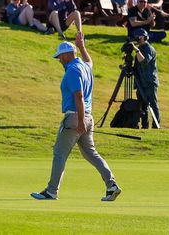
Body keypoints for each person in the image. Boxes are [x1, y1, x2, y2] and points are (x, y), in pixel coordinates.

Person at [30, 33, 121, 202]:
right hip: (88, 117)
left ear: (66, 55)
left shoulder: (72, 70)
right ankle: (111, 185)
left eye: (60, 57)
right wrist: (82, 46)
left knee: (59, 153)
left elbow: (78, 96)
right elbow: (90, 62)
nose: (59, 60)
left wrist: (79, 122)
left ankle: (51, 191)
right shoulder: (84, 66)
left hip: (75, 117)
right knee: (92, 154)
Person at [130, 28, 160, 129]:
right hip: (140, 82)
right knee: (142, 105)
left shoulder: (148, 48)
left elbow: (144, 61)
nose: (138, 38)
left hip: (149, 81)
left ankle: (156, 126)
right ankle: (145, 125)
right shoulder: (141, 48)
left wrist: (136, 50)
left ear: (144, 37)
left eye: (140, 36)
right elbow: (137, 66)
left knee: (153, 104)